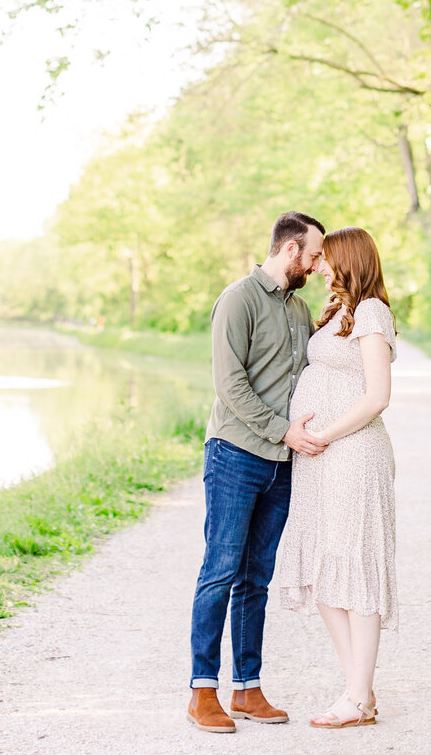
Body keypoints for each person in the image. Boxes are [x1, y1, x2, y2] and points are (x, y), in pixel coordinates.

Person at [188, 210, 328, 735]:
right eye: (313, 255)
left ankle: (247, 688)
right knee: (220, 570)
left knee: (256, 578)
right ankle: (203, 691)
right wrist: (284, 430)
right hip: (236, 454)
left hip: (282, 463)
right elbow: (231, 386)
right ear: (291, 250)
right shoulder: (237, 300)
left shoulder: (300, 309)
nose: (316, 266)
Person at [275, 226, 397, 729]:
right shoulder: (336, 311)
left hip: (352, 455)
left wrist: (324, 432)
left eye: (327, 258)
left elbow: (376, 397)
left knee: (355, 570)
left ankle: (355, 695)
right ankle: (359, 693)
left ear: (348, 260)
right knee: (326, 573)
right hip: (321, 459)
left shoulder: (371, 312)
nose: (319, 266)